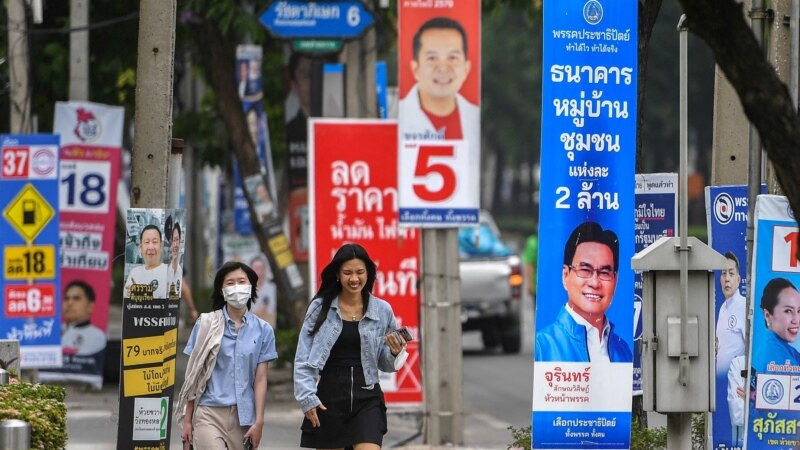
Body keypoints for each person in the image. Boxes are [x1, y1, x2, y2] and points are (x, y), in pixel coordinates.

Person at [294, 243, 407, 449]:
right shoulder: (320, 308)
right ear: (337, 274)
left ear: (368, 273)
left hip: (368, 394)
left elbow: (386, 363)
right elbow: (303, 357)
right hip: (330, 396)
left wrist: (394, 352)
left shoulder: (382, 310)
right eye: (347, 273)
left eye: (359, 272)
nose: (354, 279)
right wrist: (307, 397)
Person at [176, 261, 278, 450]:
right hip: (208, 412)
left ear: (251, 287)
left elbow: (260, 379)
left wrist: (259, 421)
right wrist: (187, 420)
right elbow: (193, 376)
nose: (237, 287)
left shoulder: (264, 331)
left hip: (244, 418)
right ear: (222, 290)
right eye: (230, 283)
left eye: (241, 281)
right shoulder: (206, 325)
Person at [534, 221, 632, 362]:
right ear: (565, 275)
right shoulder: (543, 346)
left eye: (604, 273)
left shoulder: (624, 351)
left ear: (615, 280)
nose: (594, 283)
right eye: (585, 270)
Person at [398, 17, 479, 148]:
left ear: (466, 68)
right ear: (415, 68)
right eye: (432, 58)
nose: (443, 67)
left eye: (452, 57)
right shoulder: (396, 117)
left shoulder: (477, 118)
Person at [752, 277, 800, 374]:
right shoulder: (779, 358)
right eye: (788, 311)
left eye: (799, 311)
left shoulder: (767, 349)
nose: (796, 320)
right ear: (768, 315)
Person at [715, 251, 746, 375]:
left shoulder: (744, 306)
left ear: (738, 280)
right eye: (723, 273)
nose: (727, 278)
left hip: (738, 383)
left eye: (731, 273)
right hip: (721, 383)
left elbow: (753, 350)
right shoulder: (723, 308)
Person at [124, 224, 169, 299]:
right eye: (147, 242)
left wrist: (142, 294)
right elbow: (127, 303)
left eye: (155, 242)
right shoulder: (134, 273)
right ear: (141, 248)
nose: (150, 247)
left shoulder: (168, 272)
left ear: (161, 246)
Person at [168, 221, 199, 322]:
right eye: (174, 240)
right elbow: (184, 289)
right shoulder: (172, 263)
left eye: (178, 240)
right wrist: (192, 309)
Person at [249, 255, 277, 327]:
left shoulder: (272, 288)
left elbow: (271, 316)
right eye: (256, 269)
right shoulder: (245, 290)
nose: (259, 272)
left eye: (261, 269)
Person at [726, 354, 746, 446]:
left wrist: (752, 399)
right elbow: (737, 415)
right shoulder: (739, 363)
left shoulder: (785, 364)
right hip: (743, 444)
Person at [522, 233, 538, 298]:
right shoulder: (533, 243)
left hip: (537, 284)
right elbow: (529, 264)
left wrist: (530, 284)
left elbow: (529, 264)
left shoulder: (533, 242)